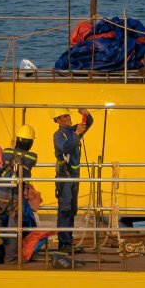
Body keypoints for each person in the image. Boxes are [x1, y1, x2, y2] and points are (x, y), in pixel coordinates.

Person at [0, 124, 38, 264]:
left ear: (17, 139)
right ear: (31, 142)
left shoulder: (6, 152)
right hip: (16, 196)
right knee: (13, 227)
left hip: (2, 192)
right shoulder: (32, 156)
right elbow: (28, 162)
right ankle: (10, 259)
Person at [52, 106, 93, 252]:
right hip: (65, 176)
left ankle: (68, 242)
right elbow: (66, 148)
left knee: (71, 209)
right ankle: (63, 244)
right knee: (64, 209)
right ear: (57, 120)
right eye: (63, 117)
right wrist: (77, 134)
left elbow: (88, 123)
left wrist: (85, 114)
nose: (67, 118)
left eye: (68, 116)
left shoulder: (72, 131)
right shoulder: (59, 135)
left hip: (74, 176)